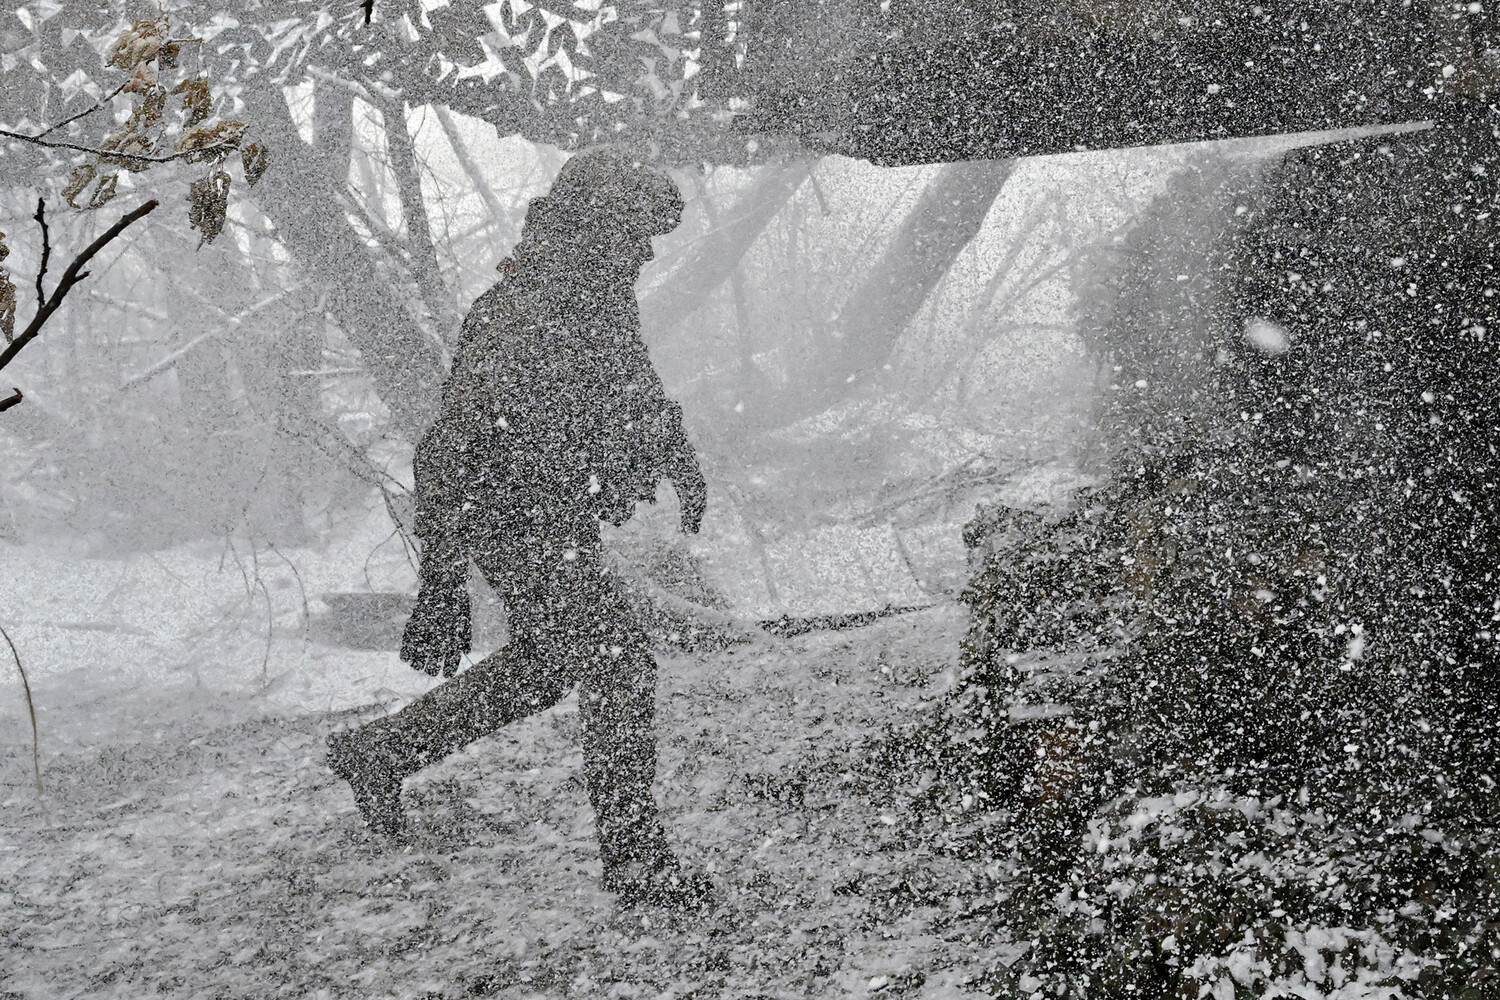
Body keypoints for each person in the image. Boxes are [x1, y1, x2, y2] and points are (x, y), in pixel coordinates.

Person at [327, 148, 710, 908]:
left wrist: (675, 450)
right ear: (596, 229)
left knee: (549, 663)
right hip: (510, 519)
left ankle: (378, 753)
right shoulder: (521, 317)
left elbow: (630, 381)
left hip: (554, 512)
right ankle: (635, 863)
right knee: (617, 664)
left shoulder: (595, 297)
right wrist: (440, 583)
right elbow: (446, 452)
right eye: (636, 235)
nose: (644, 253)